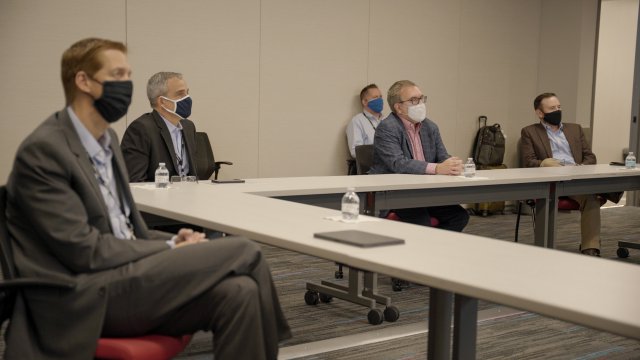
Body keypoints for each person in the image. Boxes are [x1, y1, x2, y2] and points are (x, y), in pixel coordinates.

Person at [4, 38, 290, 359]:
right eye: (117, 75)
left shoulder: (106, 140)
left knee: (241, 292)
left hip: (126, 275)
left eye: (129, 75)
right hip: (85, 293)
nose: (127, 85)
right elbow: (85, 251)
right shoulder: (45, 150)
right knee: (243, 248)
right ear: (83, 81)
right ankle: (276, 344)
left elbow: (124, 228)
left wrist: (169, 238)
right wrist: (167, 246)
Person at [369, 80, 469, 232]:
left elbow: (442, 156)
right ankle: (422, 250)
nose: (420, 104)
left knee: (459, 216)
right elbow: (398, 163)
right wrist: (437, 169)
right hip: (396, 194)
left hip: (425, 192)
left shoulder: (430, 126)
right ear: (398, 107)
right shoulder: (387, 127)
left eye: (421, 98)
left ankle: (433, 248)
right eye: (414, 100)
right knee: (422, 223)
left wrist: (452, 164)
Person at [521, 92, 613, 257]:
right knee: (593, 196)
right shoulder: (530, 132)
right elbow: (528, 161)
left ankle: (590, 248)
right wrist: (543, 163)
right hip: (552, 180)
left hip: (577, 177)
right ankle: (584, 247)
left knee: (593, 195)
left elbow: (590, 156)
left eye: (559, 107)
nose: (557, 111)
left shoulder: (575, 129)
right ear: (540, 113)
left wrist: (581, 167)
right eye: (552, 108)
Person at [121, 71, 198, 182]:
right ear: (162, 101)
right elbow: (134, 182)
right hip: (157, 197)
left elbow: (192, 174)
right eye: (180, 94)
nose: (187, 98)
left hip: (187, 196)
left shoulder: (188, 127)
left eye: (187, 93)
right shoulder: (141, 129)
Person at [346, 84, 385, 160]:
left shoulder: (387, 120)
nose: (380, 100)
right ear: (364, 102)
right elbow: (355, 152)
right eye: (375, 97)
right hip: (371, 167)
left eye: (380, 97)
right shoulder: (357, 121)